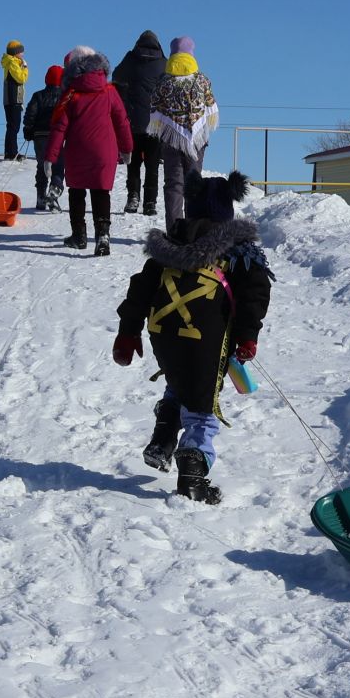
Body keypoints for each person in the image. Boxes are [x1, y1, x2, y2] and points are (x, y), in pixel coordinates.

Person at [112, 171, 271, 504]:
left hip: (165, 336)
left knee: (179, 378)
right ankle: (193, 478)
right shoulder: (238, 253)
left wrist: (128, 332)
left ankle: (163, 438)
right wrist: (247, 336)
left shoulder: (169, 248)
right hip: (207, 338)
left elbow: (140, 290)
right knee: (202, 403)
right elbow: (254, 295)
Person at [45, 48, 133, 256]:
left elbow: (59, 127)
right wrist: (127, 148)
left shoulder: (71, 94)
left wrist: (50, 157)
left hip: (77, 151)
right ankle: (103, 237)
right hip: (104, 151)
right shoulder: (109, 91)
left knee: (77, 192)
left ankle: (79, 236)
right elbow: (122, 121)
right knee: (101, 192)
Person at [147, 37, 218, 228]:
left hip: (170, 140)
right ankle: (193, 228)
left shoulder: (164, 81)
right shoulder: (202, 80)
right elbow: (210, 106)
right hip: (197, 141)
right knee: (194, 186)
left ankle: (175, 230)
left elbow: (154, 108)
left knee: (174, 185)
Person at [111, 30, 166, 215]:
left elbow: (116, 76)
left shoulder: (130, 59)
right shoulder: (162, 63)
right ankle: (150, 202)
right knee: (152, 166)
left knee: (133, 164)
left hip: (132, 121)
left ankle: (133, 198)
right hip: (155, 124)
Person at [21, 64, 66, 211]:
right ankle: (54, 189)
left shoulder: (38, 95)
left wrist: (28, 130)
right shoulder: (65, 96)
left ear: (46, 79)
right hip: (57, 135)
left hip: (40, 136)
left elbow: (29, 116)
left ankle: (41, 196)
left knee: (42, 165)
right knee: (58, 165)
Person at [1, 40, 28, 161]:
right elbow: (21, 78)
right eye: (20, 51)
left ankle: (10, 152)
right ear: (15, 52)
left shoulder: (11, 62)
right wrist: (25, 67)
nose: (22, 53)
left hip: (11, 99)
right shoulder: (12, 63)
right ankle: (12, 153)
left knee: (12, 126)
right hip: (13, 100)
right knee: (14, 126)